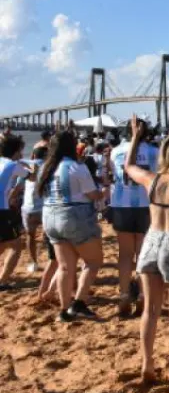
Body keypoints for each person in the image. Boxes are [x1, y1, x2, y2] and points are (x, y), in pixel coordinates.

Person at [124, 115, 169, 386]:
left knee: (150, 311)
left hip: (151, 240)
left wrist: (135, 137)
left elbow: (129, 165)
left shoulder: (152, 180)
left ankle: (147, 364)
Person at [39, 131, 109, 321]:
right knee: (93, 262)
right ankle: (79, 303)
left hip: (50, 217)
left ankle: (64, 310)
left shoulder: (46, 168)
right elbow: (92, 195)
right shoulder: (76, 167)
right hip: (74, 215)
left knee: (64, 267)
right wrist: (104, 191)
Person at [110, 118, 160, 316]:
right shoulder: (153, 152)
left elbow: (114, 174)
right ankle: (141, 295)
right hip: (145, 204)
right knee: (142, 254)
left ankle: (123, 294)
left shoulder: (116, 151)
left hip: (121, 203)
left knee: (124, 254)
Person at [0, 136, 32, 290]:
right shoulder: (14, 165)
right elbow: (33, 177)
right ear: (16, 151)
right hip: (2, 210)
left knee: (2, 244)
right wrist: (27, 165)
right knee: (15, 246)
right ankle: (2, 281)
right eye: (20, 150)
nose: (21, 153)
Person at [22, 146, 47, 274]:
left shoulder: (26, 164)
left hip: (29, 206)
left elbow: (19, 183)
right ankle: (51, 260)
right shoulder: (50, 166)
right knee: (50, 236)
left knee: (30, 236)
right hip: (45, 206)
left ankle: (34, 262)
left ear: (33, 155)